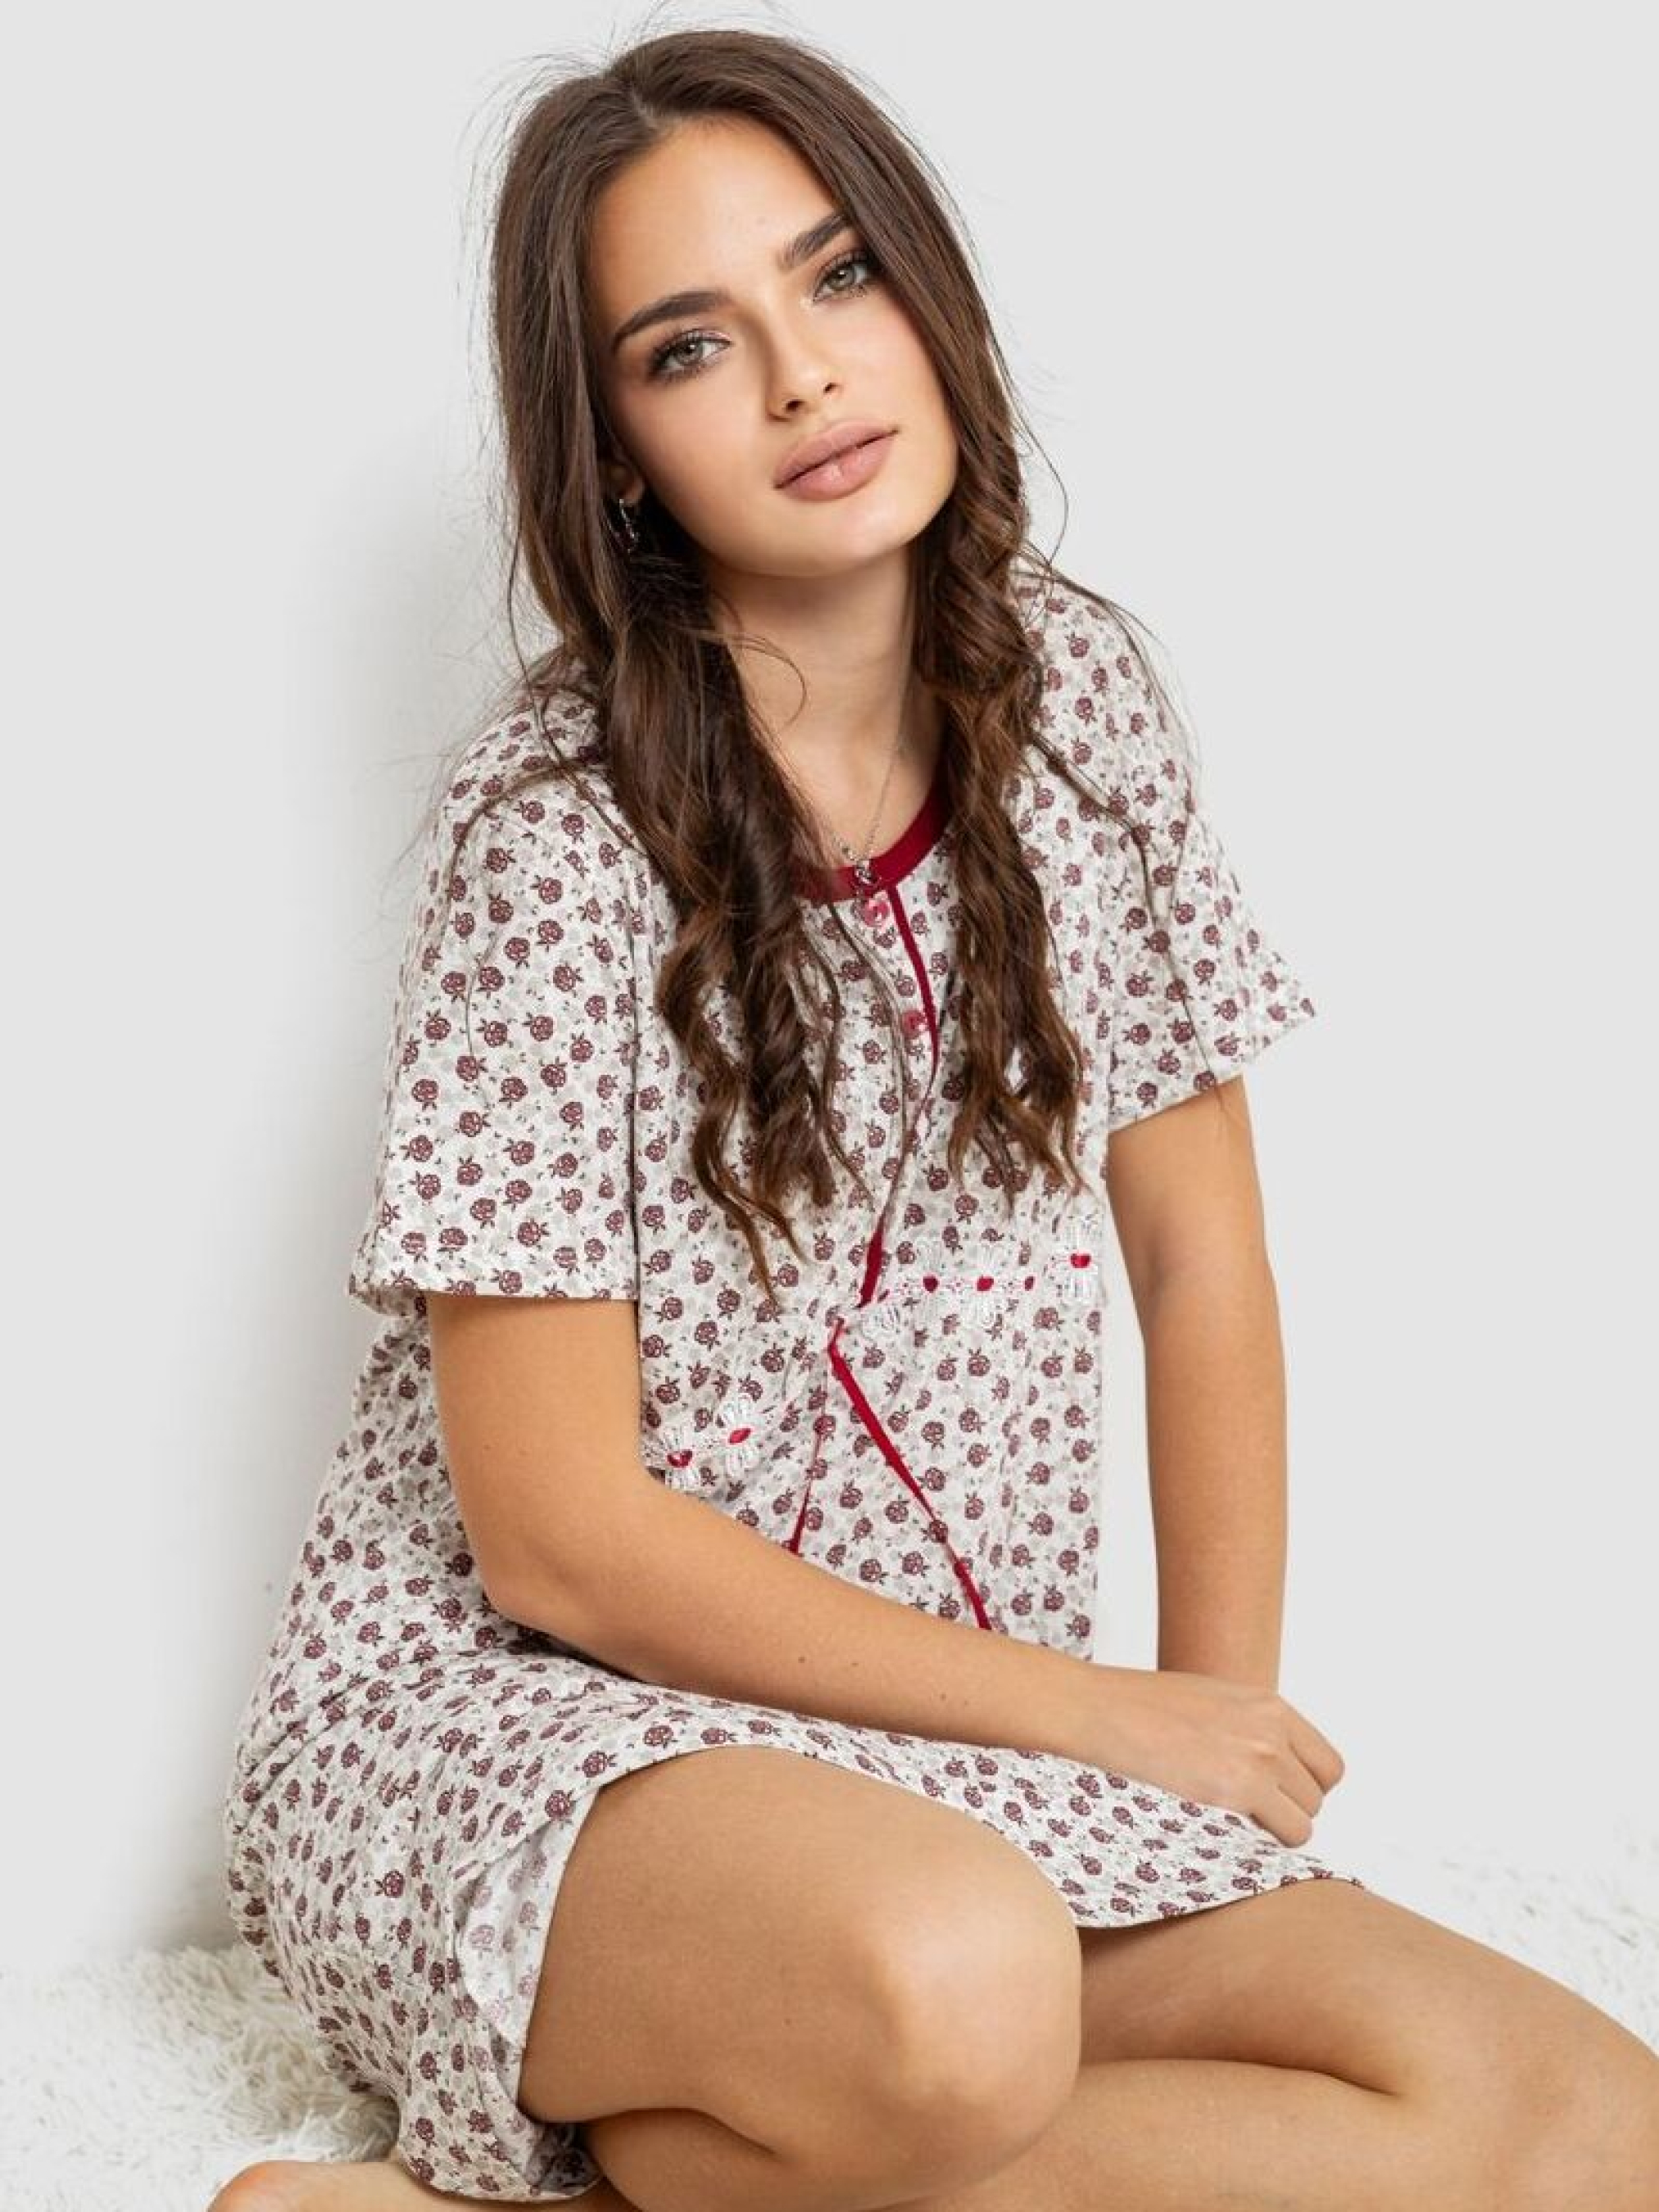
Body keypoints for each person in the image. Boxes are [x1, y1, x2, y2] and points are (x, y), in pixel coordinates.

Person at [212, 26, 1659, 2212]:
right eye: (691, 345)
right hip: (512, 1737)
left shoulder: (1082, 714)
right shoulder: (555, 845)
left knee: (1592, 2129)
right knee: (961, 1991)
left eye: (838, 277)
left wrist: (1204, 1742)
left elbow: (1201, 1258)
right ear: (619, 454)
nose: (803, 374)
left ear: (927, 292)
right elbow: (557, 1537)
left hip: (936, 1748)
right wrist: (1096, 1714)